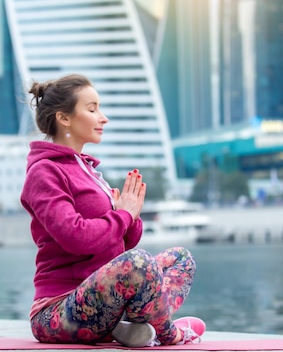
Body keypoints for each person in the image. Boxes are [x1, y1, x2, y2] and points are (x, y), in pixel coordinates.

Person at [20, 73, 205, 347]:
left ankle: (130, 326)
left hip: (106, 303)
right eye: (92, 109)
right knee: (138, 263)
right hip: (59, 310)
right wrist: (122, 215)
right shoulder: (45, 172)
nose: (103, 117)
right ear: (65, 118)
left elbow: (119, 243)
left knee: (180, 259)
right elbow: (76, 237)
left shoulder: (90, 172)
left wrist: (131, 216)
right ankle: (167, 333)